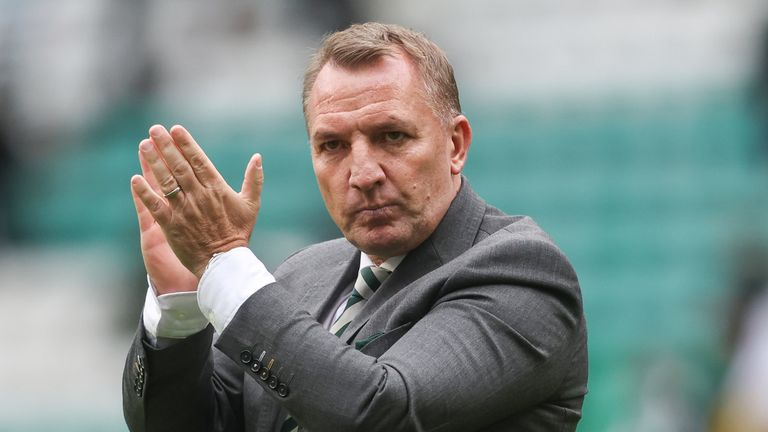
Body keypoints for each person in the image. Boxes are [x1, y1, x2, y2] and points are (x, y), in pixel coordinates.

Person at [122, 22, 587, 432]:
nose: (363, 174)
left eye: (392, 136)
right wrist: (181, 306)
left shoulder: (524, 274)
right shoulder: (301, 275)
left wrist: (224, 262)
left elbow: (379, 412)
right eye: (333, 145)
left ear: (455, 144)